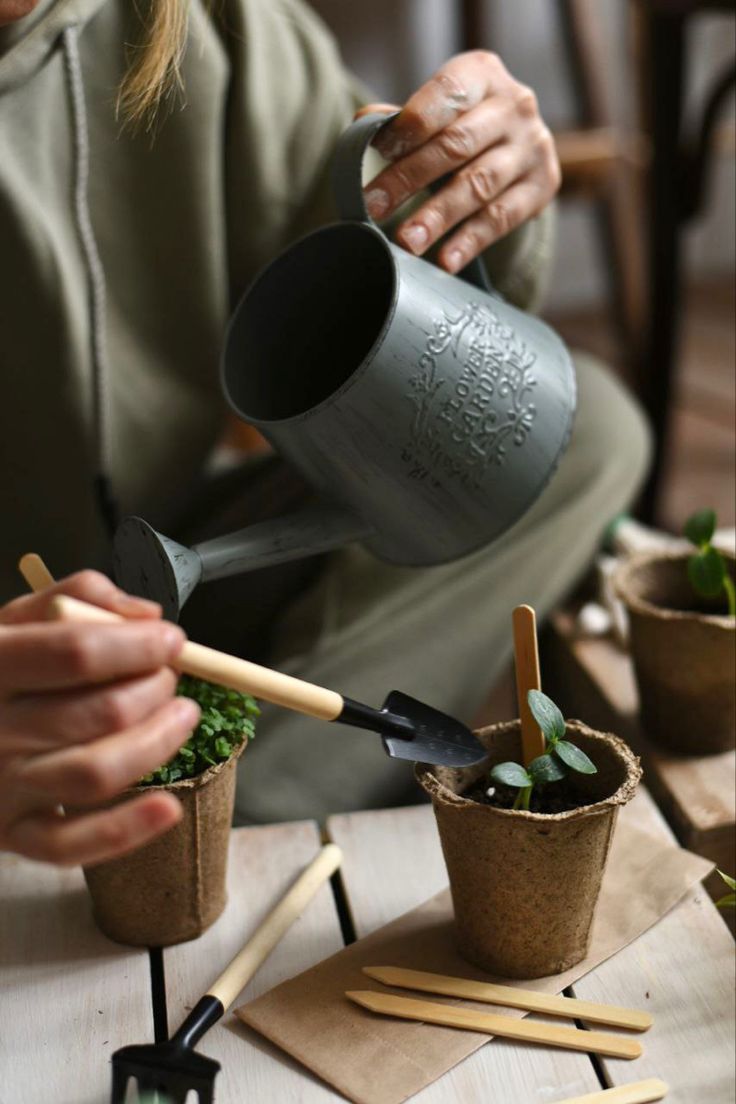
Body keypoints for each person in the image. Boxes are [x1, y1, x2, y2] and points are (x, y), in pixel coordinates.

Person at [0, 0, 650, 865]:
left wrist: (473, 187)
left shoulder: (198, 23)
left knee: (577, 430)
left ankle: (242, 822)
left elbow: (379, 264)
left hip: (168, 563)